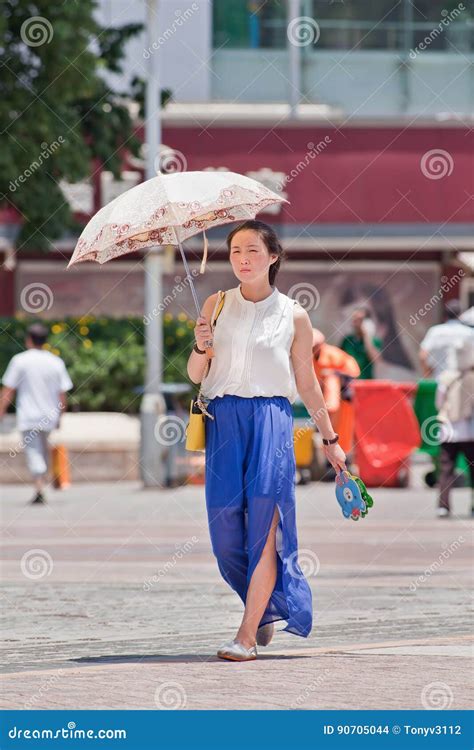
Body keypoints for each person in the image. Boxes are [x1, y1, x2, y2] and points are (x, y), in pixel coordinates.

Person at [187, 220, 346, 662]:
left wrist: (329, 438)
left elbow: (308, 383)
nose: (243, 259)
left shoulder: (292, 314)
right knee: (223, 534)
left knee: (265, 525)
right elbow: (194, 375)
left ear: (273, 257)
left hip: (271, 421)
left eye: (253, 250)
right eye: (236, 250)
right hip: (223, 420)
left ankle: (246, 636)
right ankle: (263, 609)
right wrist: (201, 346)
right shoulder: (216, 304)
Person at [0, 323, 73, 504]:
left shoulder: (20, 360)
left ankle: (39, 486)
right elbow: (62, 394)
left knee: (33, 451)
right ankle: (42, 483)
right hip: (49, 415)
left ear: (29, 339)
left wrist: (1, 410)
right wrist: (60, 416)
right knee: (43, 451)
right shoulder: (55, 362)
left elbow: (8, 390)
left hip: (28, 415)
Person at [435, 340, 474, 518]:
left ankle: (443, 506)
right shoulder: (472, 377)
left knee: (446, 469)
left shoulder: (445, 377)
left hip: (448, 431)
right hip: (469, 431)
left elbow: (439, 402)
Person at [312, 328, 360, 461]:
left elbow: (353, 372)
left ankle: (344, 459)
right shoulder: (310, 358)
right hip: (325, 400)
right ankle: (330, 459)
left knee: (343, 428)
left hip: (342, 395)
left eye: (315, 346)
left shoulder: (333, 355)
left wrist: (335, 375)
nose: (313, 349)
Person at [420, 300, 474, 380]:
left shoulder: (435, 331)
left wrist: (427, 374)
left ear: (445, 315)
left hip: (439, 381)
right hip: (460, 384)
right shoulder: (469, 333)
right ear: (460, 315)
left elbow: (423, 356)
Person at [339, 307, 382, 380]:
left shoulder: (374, 341)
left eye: (359, 319)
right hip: (348, 383)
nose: (354, 322)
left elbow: (375, 359)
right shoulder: (347, 340)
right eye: (353, 319)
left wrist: (366, 336)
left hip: (366, 383)